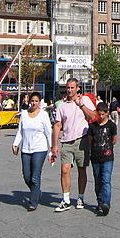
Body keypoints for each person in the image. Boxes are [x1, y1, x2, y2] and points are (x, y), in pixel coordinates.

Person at [51, 77, 96, 212]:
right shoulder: (62, 105)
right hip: (66, 140)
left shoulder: (85, 100)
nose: (70, 90)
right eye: (68, 88)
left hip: (82, 139)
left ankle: (80, 197)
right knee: (65, 169)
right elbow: (58, 125)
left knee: (82, 169)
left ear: (77, 88)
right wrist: (54, 145)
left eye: (72, 87)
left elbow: (94, 116)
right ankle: (66, 199)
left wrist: (81, 105)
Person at [12, 91, 53, 211]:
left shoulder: (43, 115)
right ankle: (37, 191)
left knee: (35, 176)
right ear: (29, 101)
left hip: (39, 148)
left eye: (36, 101)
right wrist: (15, 143)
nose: (34, 103)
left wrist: (52, 148)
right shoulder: (24, 114)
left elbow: (48, 132)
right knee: (26, 175)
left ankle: (33, 201)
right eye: (32, 101)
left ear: (39, 102)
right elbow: (20, 131)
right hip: (26, 148)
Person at [88, 101, 118, 216]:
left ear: (107, 113)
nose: (100, 117)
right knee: (97, 181)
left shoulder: (111, 125)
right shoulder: (92, 126)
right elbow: (90, 142)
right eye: (99, 114)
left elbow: (114, 140)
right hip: (95, 156)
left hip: (108, 157)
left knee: (106, 180)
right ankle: (100, 200)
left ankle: (106, 203)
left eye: (103, 114)